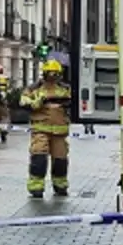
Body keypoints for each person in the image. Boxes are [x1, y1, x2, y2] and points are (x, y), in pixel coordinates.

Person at [21, 59, 73, 198]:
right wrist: (36, 103)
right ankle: (36, 186)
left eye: (55, 74)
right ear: (44, 73)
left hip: (60, 132)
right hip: (40, 130)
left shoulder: (65, 89)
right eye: (50, 74)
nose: (53, 77)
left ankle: (60, 184)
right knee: (39, 157)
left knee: (60, 159)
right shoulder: (34, 88)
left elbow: (74, 103)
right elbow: (23, 101)